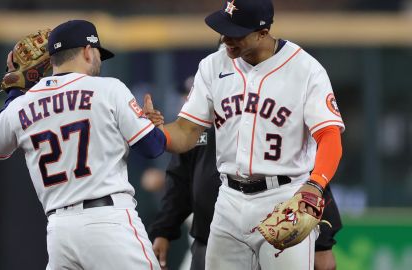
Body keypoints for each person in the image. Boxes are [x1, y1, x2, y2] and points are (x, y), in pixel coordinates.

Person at [143, 0, 345, 268]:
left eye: (236, 32)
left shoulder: (305, 69)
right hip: (228, 198)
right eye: (224, 29)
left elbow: (330, 136)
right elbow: (186, 132)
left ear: (263, 33)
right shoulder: (212, 66)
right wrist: (157, 134)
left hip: (283, 196)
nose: (227, 38)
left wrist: (316, 184)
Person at [0, 20, 167, 269]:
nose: (99, 61)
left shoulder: (21, 105)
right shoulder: (109, 88)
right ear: (87, 51)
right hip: (109, 223)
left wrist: (15, 91)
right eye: (98, 54)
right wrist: (149, 125)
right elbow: (153, 148)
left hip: (59, 232)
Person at [149, 128, 342, 270]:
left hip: (273, 239)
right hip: (210, 240)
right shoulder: (197, 125)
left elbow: (308, 174)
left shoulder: (274, 117)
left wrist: (322, 243)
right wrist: (163, 230)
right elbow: (179, 181)